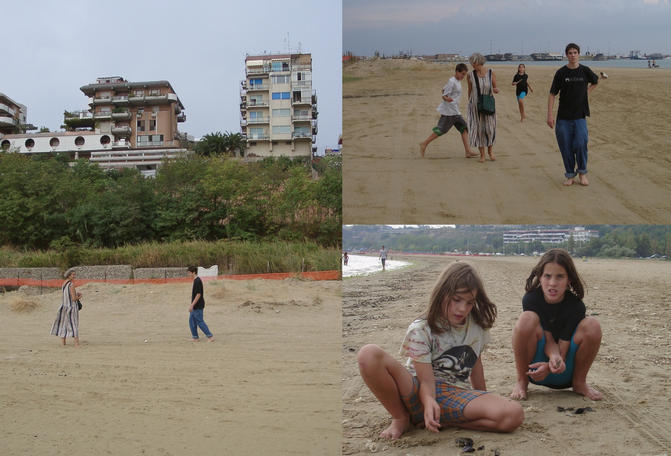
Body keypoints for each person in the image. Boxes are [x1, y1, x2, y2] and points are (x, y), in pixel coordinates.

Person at [357, 263, 524, 440]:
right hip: (416, 388)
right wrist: (428, 401)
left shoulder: (477, 328)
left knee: (514, 414)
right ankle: (401, 418)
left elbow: (476, 365)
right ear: (442, 293)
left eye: (469, 303)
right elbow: (426, 381)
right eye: (456, 299)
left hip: (454, 394)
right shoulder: (422, 329)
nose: (462, 309)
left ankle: (443, 421)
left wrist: (482, 396)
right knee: (368, 354)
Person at [510, 249, 602, 401]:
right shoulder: (531, 299)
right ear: (539, 277)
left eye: (560, 277)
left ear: (569, 280)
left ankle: (580, 383)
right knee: (526, 318)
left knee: (592, 324)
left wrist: (551, 365)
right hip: (534, 369)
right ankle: (521, 381)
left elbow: (563, 346)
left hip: (564, 371)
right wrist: (550, 359)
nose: (552, 283)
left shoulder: (576, 306)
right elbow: (549, 340)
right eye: (547, 276)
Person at [547, 43, 599, 186]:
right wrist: (549, 115)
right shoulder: (561, 73)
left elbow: (595, 81)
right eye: (570, 53)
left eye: (575, 52)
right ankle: (570, 175)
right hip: (563, 117)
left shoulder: (585, 70)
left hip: (580, 116)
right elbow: (552, 94)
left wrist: (586, 93)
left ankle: (582, 173)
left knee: (582, 143)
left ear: (579, 54)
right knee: (566, 147)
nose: (572, 55)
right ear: (566, 55)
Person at [419, 63, 478, 158]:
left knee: (464, 129)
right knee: (441, 130)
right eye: (462, 74)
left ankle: (468, 151)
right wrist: (446, 99)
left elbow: (443, 90)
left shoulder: (457, 81)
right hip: (450, 112)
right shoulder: (452, 81)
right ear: (457, 71)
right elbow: (444, 95)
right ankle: (424, 143)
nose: (463, 76)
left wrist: (447, 96)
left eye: (464, 74)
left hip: (455, 110)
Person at [466, 53, 499, 162]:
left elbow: (495, 87)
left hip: (488, 105)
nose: (472, 65)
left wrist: (496, 90)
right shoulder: (470, 75)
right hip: (475, 106)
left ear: (478, 62)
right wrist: (469, 103)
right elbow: (469, 90)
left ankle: (490, 152)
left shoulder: (490, 73)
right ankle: (482, 155)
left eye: (473, 63)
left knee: (489, 129)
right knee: (478, 129)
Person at [50, 267, 82, 347]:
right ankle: (76, 343)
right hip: (71, 307)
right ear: (69, 275)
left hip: (64, 306)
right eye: (73, 275)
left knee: (63, 324)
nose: (74, 276)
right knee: (73, 324)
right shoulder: (71, 284)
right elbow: (74, 298)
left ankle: (63, 343)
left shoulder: (64, 283)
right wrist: (79, 297)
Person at [187, 266, 214, 342]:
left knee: (200, 321)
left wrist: (192, 305)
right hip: (195, 305)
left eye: (189, 272)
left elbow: (198, 294)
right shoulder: (195, 280)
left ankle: (210, 337)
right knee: (191, 321)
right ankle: (195, 337)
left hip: (198, 305)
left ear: (194, 272)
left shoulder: (197, 281)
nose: (188, 274)